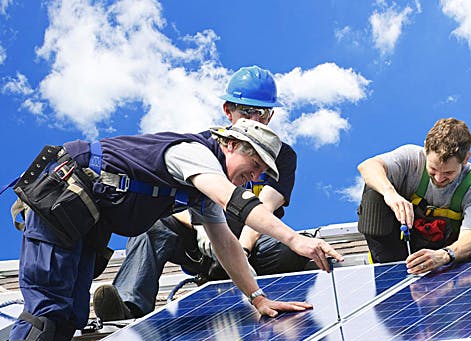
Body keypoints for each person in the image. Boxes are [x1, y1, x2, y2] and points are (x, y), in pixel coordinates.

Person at [1, 117, 343, 341]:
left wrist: (257, 298)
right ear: (232, 145)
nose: (252, 178)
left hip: (83, 222)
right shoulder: (193, 154)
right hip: (60, 200)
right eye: (253, 168)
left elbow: (225, 243)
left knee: (72, 317)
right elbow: (233, 200)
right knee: (48, 313)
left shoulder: (199, 191)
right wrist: (296, 240)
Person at [93, 66, 311, 322]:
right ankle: (128, 307)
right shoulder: (205, 148)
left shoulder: (280, 156)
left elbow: (265, 206)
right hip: (202, 239)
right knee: (151, 227)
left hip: (249, 239)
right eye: (246, 111)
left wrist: (243, 248)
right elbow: (183, 198)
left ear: (270, 116)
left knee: (293, 248)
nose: (254, 119)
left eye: (261, 113)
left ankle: (244, 279)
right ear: (228, 111)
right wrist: (201, 227)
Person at [357, 117, 471, 274]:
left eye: (448, 173)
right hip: (396, 252)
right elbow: (368, 166)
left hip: (444, 258)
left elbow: (470, 236)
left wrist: (444, 255)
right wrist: (390, 194)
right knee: (374, 189)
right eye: (433, 169)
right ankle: (390, 270)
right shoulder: (411, 158)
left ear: (466, 159)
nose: (439, 178)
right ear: (425, 150)